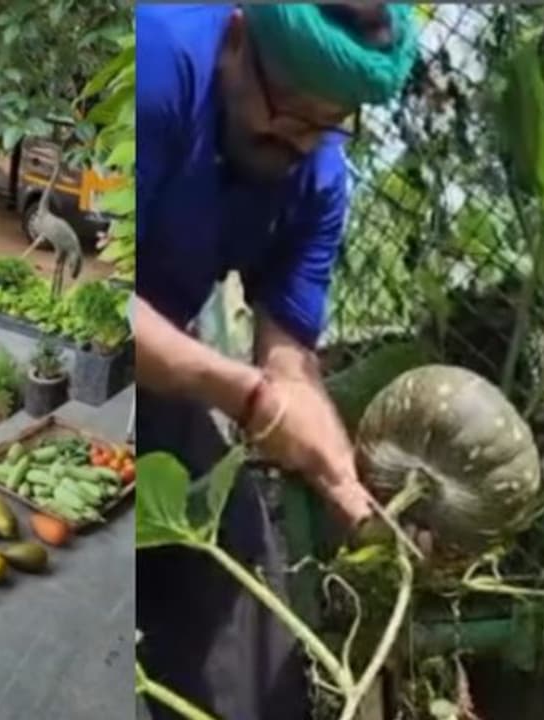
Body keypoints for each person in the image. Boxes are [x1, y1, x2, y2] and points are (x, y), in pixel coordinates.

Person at [134, 4, 418, 719]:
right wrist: (249, 398)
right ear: (236, 35)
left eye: (328, 122)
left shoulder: (318, 175)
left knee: (242, 600)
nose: (299, 140)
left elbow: (289, 353)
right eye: (288, 109)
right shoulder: (159, 66)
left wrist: (340, 480)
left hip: (169, 354)